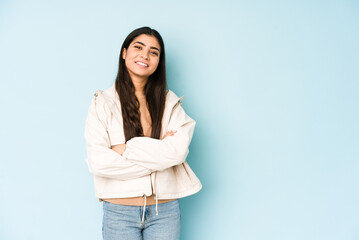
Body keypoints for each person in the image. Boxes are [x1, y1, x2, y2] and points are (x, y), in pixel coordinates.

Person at [84, 26, 202, 240]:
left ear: (158, 62)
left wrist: (125, 149)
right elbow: (99, 162)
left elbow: (176, 153)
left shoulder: (169, 103)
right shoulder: (102, 103)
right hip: (119, 212)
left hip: (164, 212)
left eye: (154, 52)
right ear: (124, 53)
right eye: (138, 47)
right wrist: (158, 155)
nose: (145, 55)